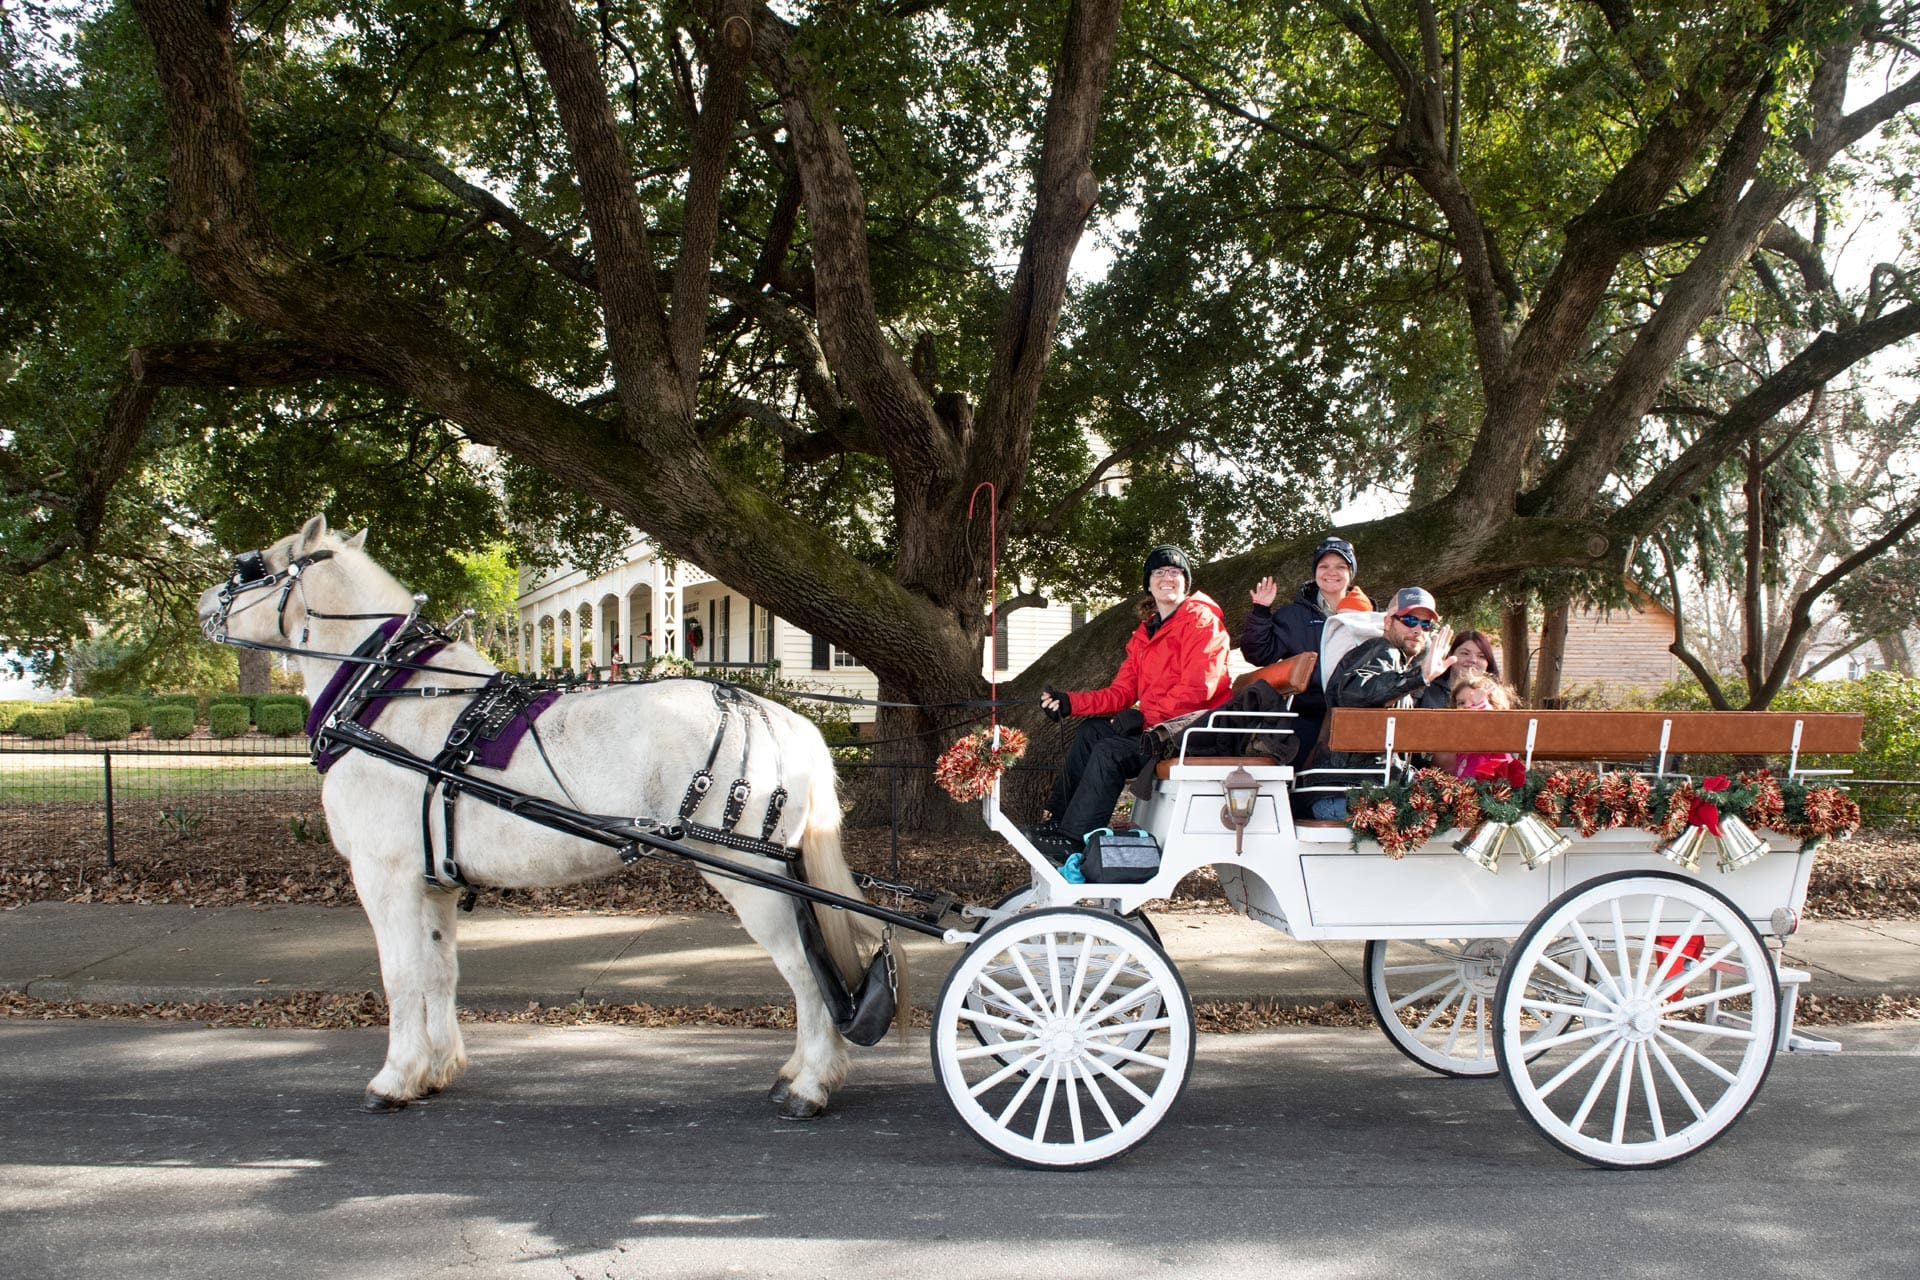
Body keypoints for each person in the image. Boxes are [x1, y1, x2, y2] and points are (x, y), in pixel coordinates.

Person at [1032, 545, 1231, 852]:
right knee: (1091, 733)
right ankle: (1059, 821)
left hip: (1192, 731)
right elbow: (1122, 692)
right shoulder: (1145, 634)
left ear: (1185, 582)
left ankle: (1075, 840)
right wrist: (1070, 702)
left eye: (1176, 572)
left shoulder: (1201, 622)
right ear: (1149, 585)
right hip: (1160, 728)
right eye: (1160, 572)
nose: (1168, 578)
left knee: (1111, 750)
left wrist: (1146, 720)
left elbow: (1197, 690)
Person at [1308, 586, 1456, 821]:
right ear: (1388, 622)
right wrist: (1419, 677)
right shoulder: (1382, 650)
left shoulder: (1395, 666)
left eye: (1425, 624)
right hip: (1349, 794)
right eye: (1409, 620)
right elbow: (1354, 693)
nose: (1418, 630)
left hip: (1352, 793)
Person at [1240, 536, 1372, 753]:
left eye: (1341, 567)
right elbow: (1259, 654)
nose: (1332, 572)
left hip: (1355, 715)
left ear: (1351, 574)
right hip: (1306, 714)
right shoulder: (1293, 615)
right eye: (1324, 566)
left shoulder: (1369, 615)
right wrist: (1261, 611)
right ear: (1315, 571)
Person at [1432, 671, 1517, 777]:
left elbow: (1492, 722)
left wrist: (1481, 706)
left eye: (1474, 702)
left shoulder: (1496, 733)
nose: (1467, 706)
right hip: (1461, 787)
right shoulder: (1455, 738)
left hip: (1493, 784)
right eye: (1461, 703)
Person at [1416, 627, 1500, 709]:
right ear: (1450, 655)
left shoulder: (1497, 697)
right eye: (1465, 653)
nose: (1473, 660)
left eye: (1481, 656)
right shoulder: (1425, 689)